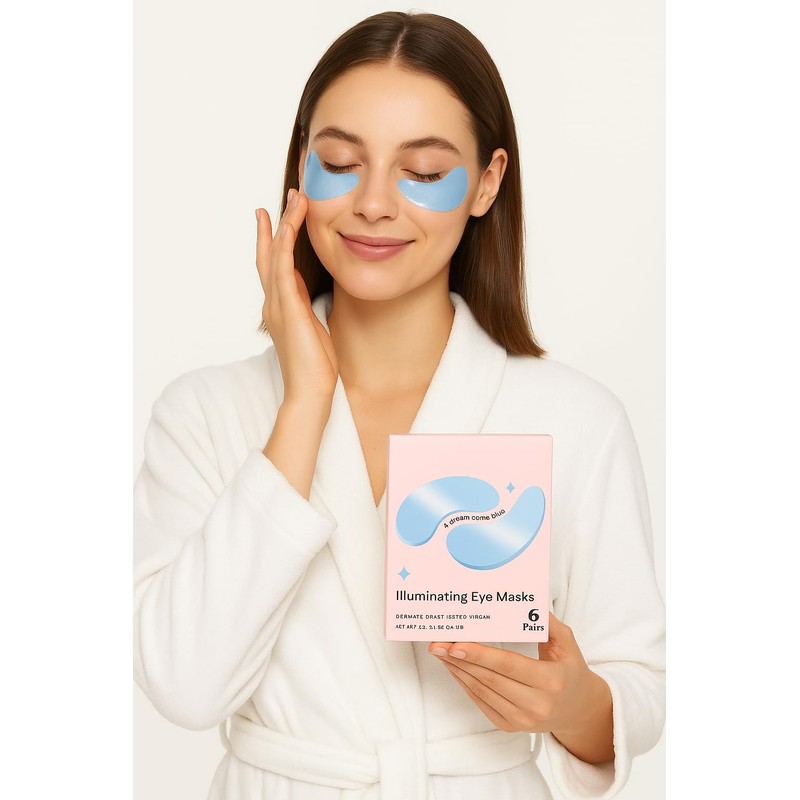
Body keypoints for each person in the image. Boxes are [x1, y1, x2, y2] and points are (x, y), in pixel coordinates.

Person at [133, 10, 665, 800]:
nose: (373, 202)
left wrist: (575, 703)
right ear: (301, 166)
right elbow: (184, 685)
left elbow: (638, 680)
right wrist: (304, 402)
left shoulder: (575, 418)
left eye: (422, 171)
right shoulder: (205, 413)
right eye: (339, 163)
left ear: (487, 182)